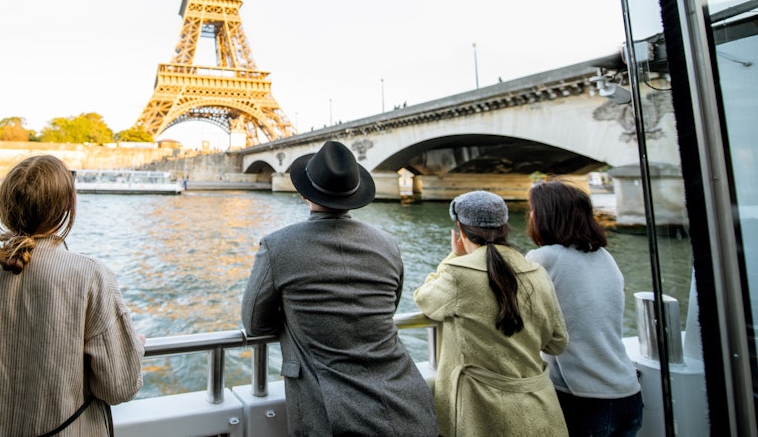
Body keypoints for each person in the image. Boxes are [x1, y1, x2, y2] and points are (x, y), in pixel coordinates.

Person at [0, 154, 144, 437]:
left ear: (4, 206)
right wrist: (134, 348)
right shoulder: (90, 276)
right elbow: (119, 387)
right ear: (66, 208)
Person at [241, 140, 438, 437]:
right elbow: (386, 307)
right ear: (354, 196)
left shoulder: (277, 246)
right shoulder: (387, 243)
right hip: (409, 404)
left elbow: (255, 324)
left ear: (305, 193)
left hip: (329, 414)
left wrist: (298, 314)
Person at [414, 190, 568, 437]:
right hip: (539, 408)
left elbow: (425, 298)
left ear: (460, 230)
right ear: (504, 227)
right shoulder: (536, 271)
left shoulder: (457, 273)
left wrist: (454, 255)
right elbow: (557, 343)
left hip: (479, 413)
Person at [526, 179, 643, 437]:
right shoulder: (604, 256)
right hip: (628, 392)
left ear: (546, 215)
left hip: (583, 399)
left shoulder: (544, 258)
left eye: (532, 210)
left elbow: (520, 315)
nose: (530, 217)